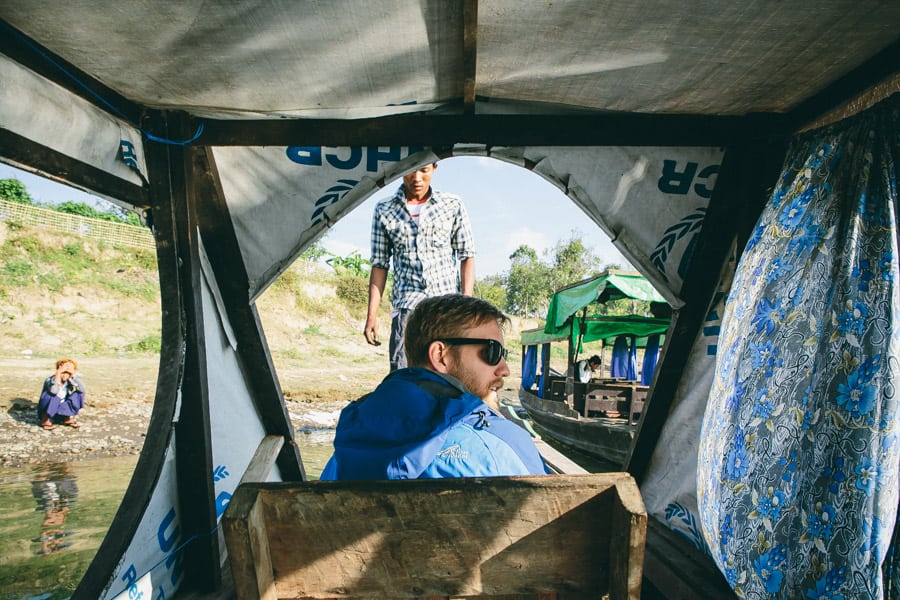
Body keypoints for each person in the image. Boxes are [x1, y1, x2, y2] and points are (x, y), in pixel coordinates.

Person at [323, 294, 549, 480]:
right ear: (440, 356)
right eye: (492, 352)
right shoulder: (502, 445)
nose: (504, 369)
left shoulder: (348, 446)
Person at [364, 161, 476, 371]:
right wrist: (372, 316)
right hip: (407, 308)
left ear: (434, 168)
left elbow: (467, 256)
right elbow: (380, 264)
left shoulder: (452, 204)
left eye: (423, 171)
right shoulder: (384, 209)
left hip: (446, 306)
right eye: (409, 171)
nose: (417, 178)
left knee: (448, 374)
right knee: (403, 376)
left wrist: (466, 305)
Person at [37, 358, 85, 430]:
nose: (65, 375)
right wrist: (58, 374)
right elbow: (54, 391)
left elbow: (82, 389)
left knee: (79, 393)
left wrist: (73, 375)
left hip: (61, 409)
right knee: (53, 395)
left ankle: (66, 417)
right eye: (64, 372)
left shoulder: (70, 381)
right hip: (48, 409)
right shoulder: (50, 380)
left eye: (68, 373)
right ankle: (45, 420)